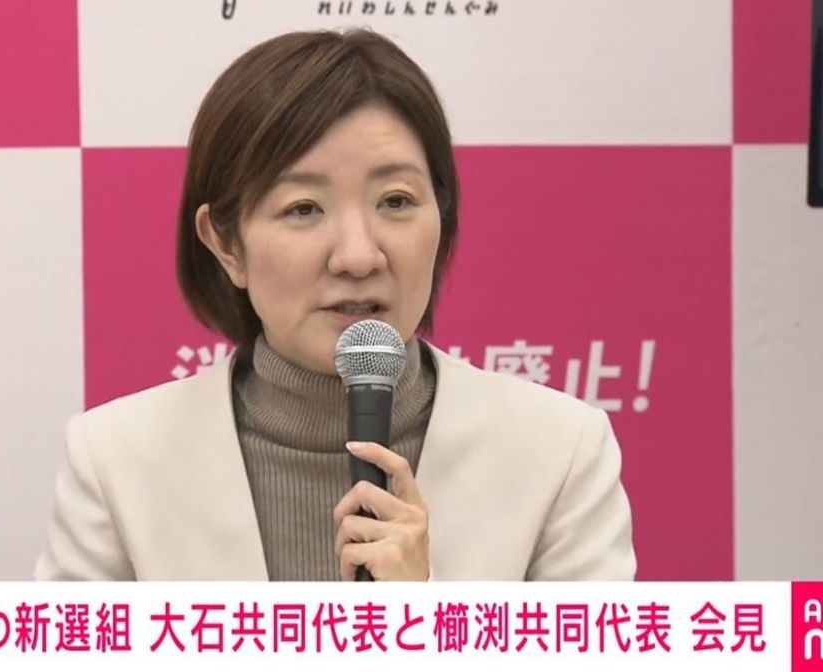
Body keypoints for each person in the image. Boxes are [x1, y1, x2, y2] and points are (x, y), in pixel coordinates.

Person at [34, 28, 636, 581]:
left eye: (396, 201)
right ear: (226, 244)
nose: (358, 255)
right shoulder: (117, 463)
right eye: (304, 209)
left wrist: (423, 620)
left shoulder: (557, 453)